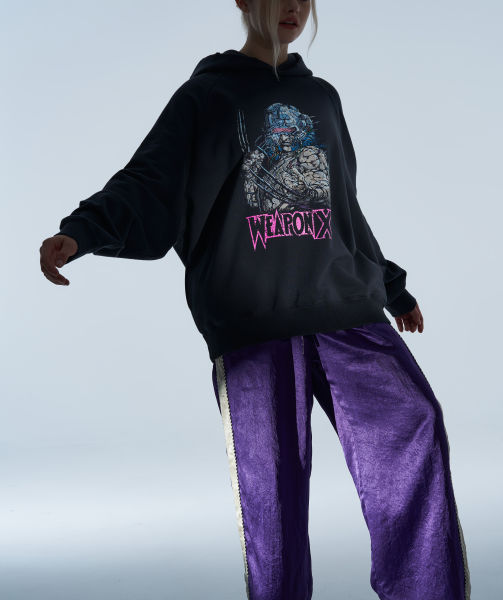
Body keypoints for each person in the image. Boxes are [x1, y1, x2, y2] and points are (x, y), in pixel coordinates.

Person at [39, 1, 471, 598]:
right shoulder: (206, 97)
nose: (293, 6)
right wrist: (82, 232)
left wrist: (391, 286)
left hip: (343, 303)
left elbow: (342, 207)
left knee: (414, 422)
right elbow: (149, 182)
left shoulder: (321, 98)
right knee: (272, 489)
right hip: (251, 317)